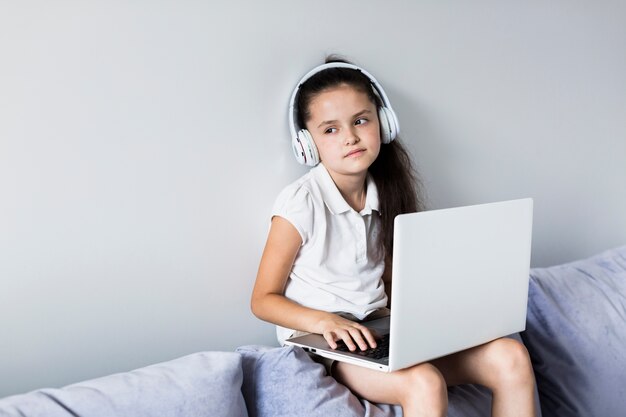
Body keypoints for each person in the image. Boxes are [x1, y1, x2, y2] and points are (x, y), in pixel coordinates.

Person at [251, 56, 536, 417]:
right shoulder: (300, 203)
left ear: (383, 124)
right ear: (307, 144)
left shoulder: (385, 193)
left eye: (360, 120)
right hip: (329, 346)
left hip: (379, 332)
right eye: (331, 129)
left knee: (510, 355)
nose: (351, 137)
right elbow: (262, 299)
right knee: (425, 381)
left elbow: (388, 280)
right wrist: (324, 321)